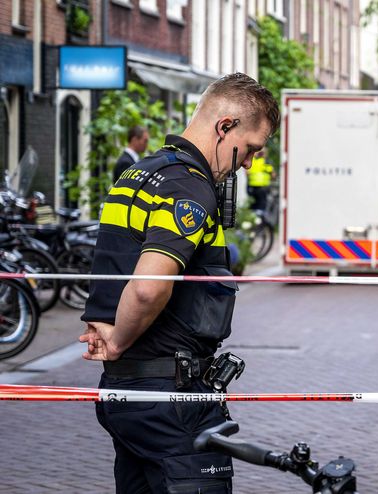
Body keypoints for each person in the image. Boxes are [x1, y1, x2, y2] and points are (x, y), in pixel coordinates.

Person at [80, 73, 280, 493]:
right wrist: (116, 341)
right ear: (225, 126)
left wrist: (108, 333)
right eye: (251, 149)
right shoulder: (189, 185)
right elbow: (149, 286)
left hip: (123, 392)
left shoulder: (138, 175)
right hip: (171, 397)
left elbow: (115, 263)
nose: (248, 164)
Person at [247, 147, 273, 212]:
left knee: (262, 204)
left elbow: (273, 174)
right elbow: (247, 172)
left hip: (263, 187)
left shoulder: (267, 161)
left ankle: (261, 217)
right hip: (252, 186)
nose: (260, 153)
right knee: (253, 204)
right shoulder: (252, 160)